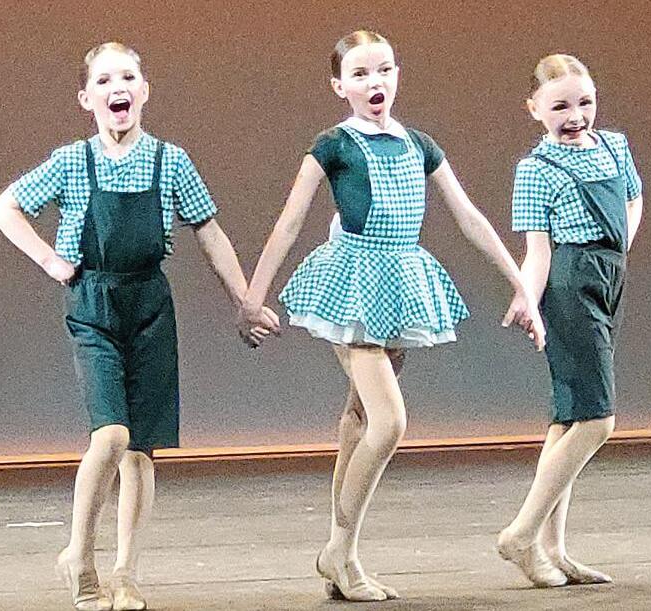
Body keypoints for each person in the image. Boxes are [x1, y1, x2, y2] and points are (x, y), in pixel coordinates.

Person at [238, 30, 544, 601]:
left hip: (400, 282)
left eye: (383, 69)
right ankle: (338, 551)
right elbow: (289, 220)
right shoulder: (334, 145)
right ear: (339, 87)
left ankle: (342, 555)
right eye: (359, 74)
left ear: (398, 73)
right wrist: (253, 298)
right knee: (389, 422)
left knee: (358, 419)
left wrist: (521, 285)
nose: (374, 82)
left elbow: (468, 216)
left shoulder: (419, 144)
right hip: (351, 285)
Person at [0, 42, 277, 610]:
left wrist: (245, 302)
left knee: (141, 451)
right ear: (86, 98)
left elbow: (210, 233)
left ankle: (125, 572)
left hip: (149, 305)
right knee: (111, 435)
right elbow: (5, 207)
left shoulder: (171, 161)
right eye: (103, 80)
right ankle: (78, 554)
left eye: (127, 77)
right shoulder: (72, 161)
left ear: (144, 91)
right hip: (93, 303)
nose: (116, 88)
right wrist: (49, 259)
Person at [498, 53, 643, 588]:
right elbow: (537, 251)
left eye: (584, 102)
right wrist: (527, 300)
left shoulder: (614, 146)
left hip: (608, 275)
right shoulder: (536, 169)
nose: (575, 116)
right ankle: (521, 534)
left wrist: (620, 248)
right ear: (534, 108)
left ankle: (553, 549)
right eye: (560, 106)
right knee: (598, 420)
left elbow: (633, 200)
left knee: (568, 419)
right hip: (570, 282)